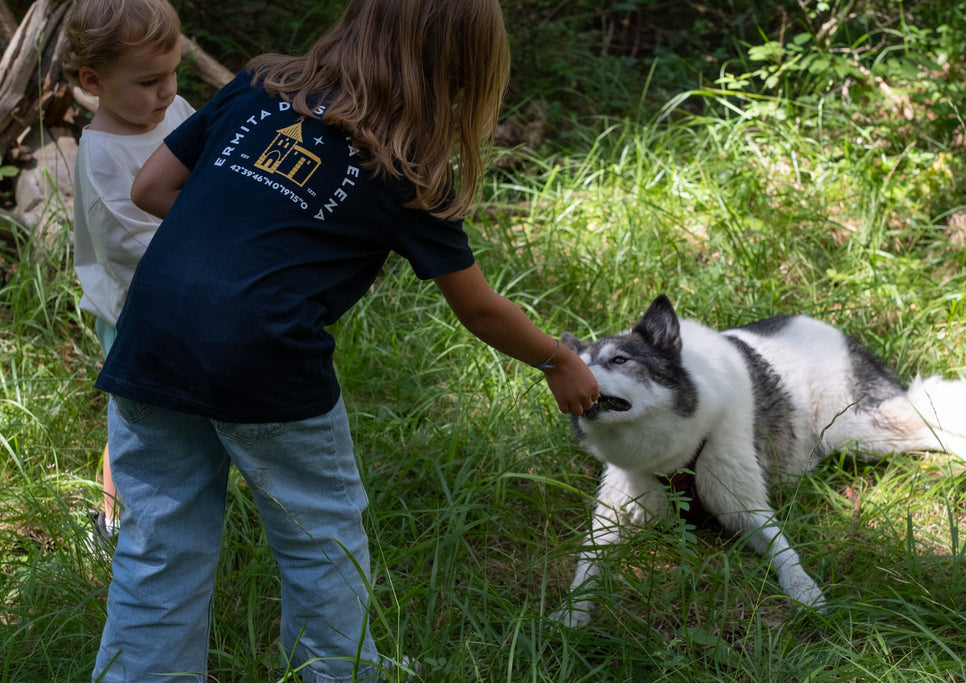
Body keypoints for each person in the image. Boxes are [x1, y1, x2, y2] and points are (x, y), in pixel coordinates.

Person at [91, 0, 599, 681]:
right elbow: (478, 310)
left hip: (151, 336)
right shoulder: (409, 165)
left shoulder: (259, 86)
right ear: (461, 70)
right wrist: (558, 357)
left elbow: (152, 186)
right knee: (320, 540)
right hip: (265, 356)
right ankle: (336, 671)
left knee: (157, 540)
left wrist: (240, 240)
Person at [63, 0, 195, 546]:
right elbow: (133, 251)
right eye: (148, 81)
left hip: (190, 300)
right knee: (138, 425)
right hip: (135, 315)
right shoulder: (101, 156)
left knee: (176, 424)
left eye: (172, 74)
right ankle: (113, 522)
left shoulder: (177, 110)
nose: (166, 92)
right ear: (94, 80)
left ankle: (175, 505)